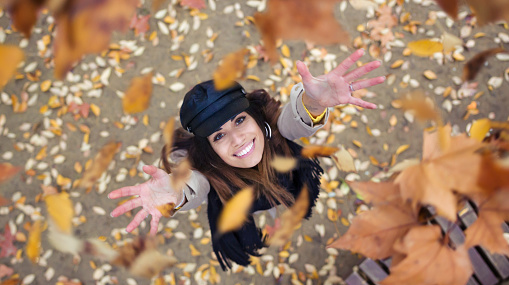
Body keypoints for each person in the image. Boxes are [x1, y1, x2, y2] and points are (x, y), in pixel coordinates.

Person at [108, 49, 385, 270]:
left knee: (280, 201)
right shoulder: (205, 169)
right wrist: (176, 193)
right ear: (207, 150)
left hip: (282, 182)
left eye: (239, 120)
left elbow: (292, 123)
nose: (237, 139)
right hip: (239, 202)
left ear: (254, 116)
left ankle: (277, 209)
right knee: (259, 209)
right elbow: (196, 184)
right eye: (218, 136)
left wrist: (313, 104)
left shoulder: (273, 126)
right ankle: (271, 211)